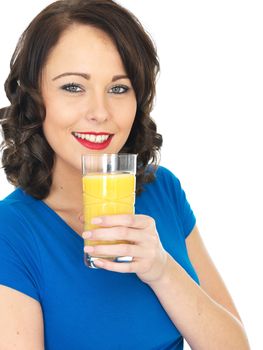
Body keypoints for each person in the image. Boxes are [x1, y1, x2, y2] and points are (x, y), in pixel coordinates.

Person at [0, 0, 250, 349]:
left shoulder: (163, 190)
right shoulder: (11, 232)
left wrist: (162, 270)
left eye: (119, 88)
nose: (100, 113)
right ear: (34, 97)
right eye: (73, 86)